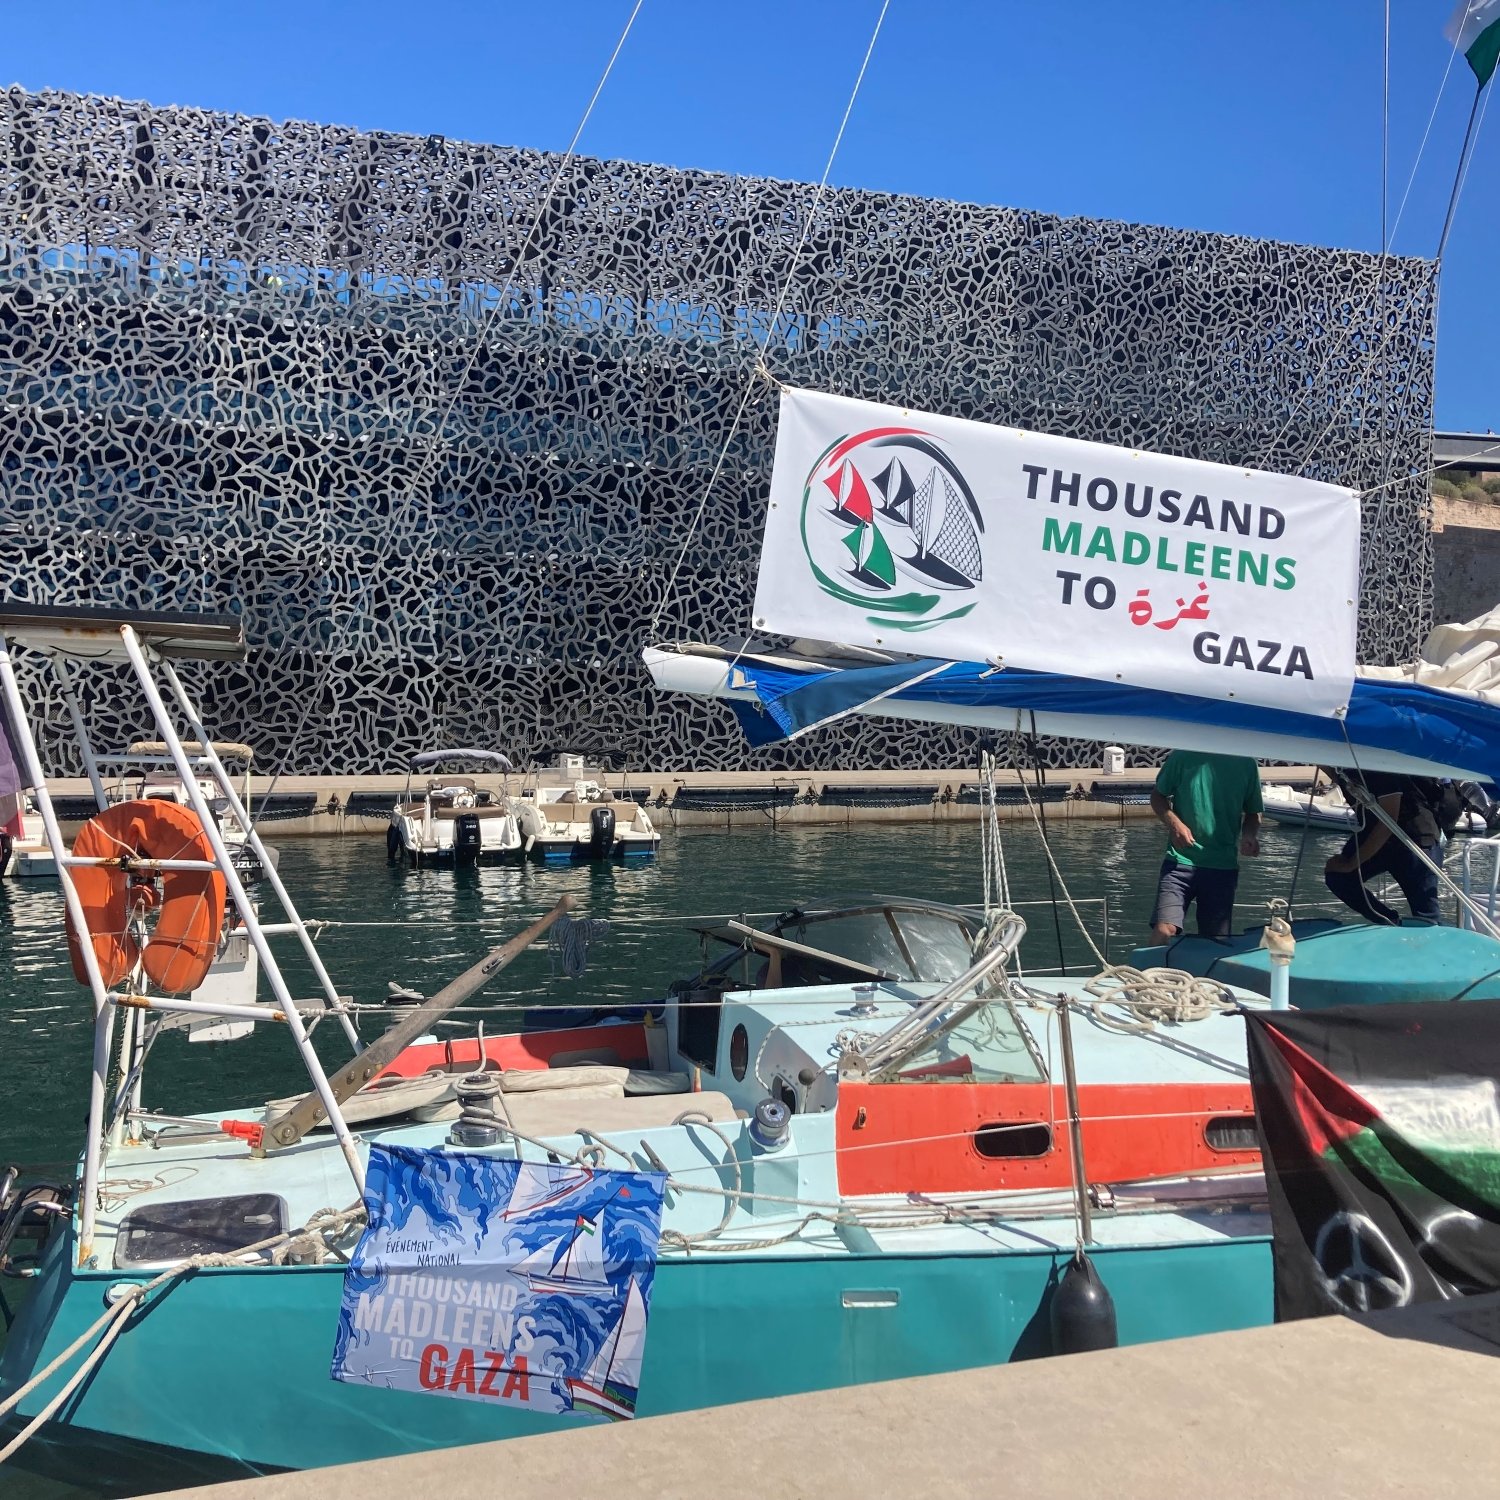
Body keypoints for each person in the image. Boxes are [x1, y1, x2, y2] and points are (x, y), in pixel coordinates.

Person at [1148, 750, 1262, 942]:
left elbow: (1254, 812)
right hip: (1180, 861)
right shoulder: (1182, 757)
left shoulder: (1247, 763)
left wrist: (1249, 835)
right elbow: (1158, 796)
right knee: (1165, 930)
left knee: (1215, 943)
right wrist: (1175, 824)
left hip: (1222, 867)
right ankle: (1143, 972)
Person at [1323, 771, 1442, 925]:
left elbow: (1389, 819)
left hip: (1414, 839)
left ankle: (1433, 942)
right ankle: (1390, 921)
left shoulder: (1380, 769)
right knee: (1338, 877)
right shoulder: (1342, 770)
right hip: (1376, 834)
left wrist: (1351, 863)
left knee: (1426, 914)